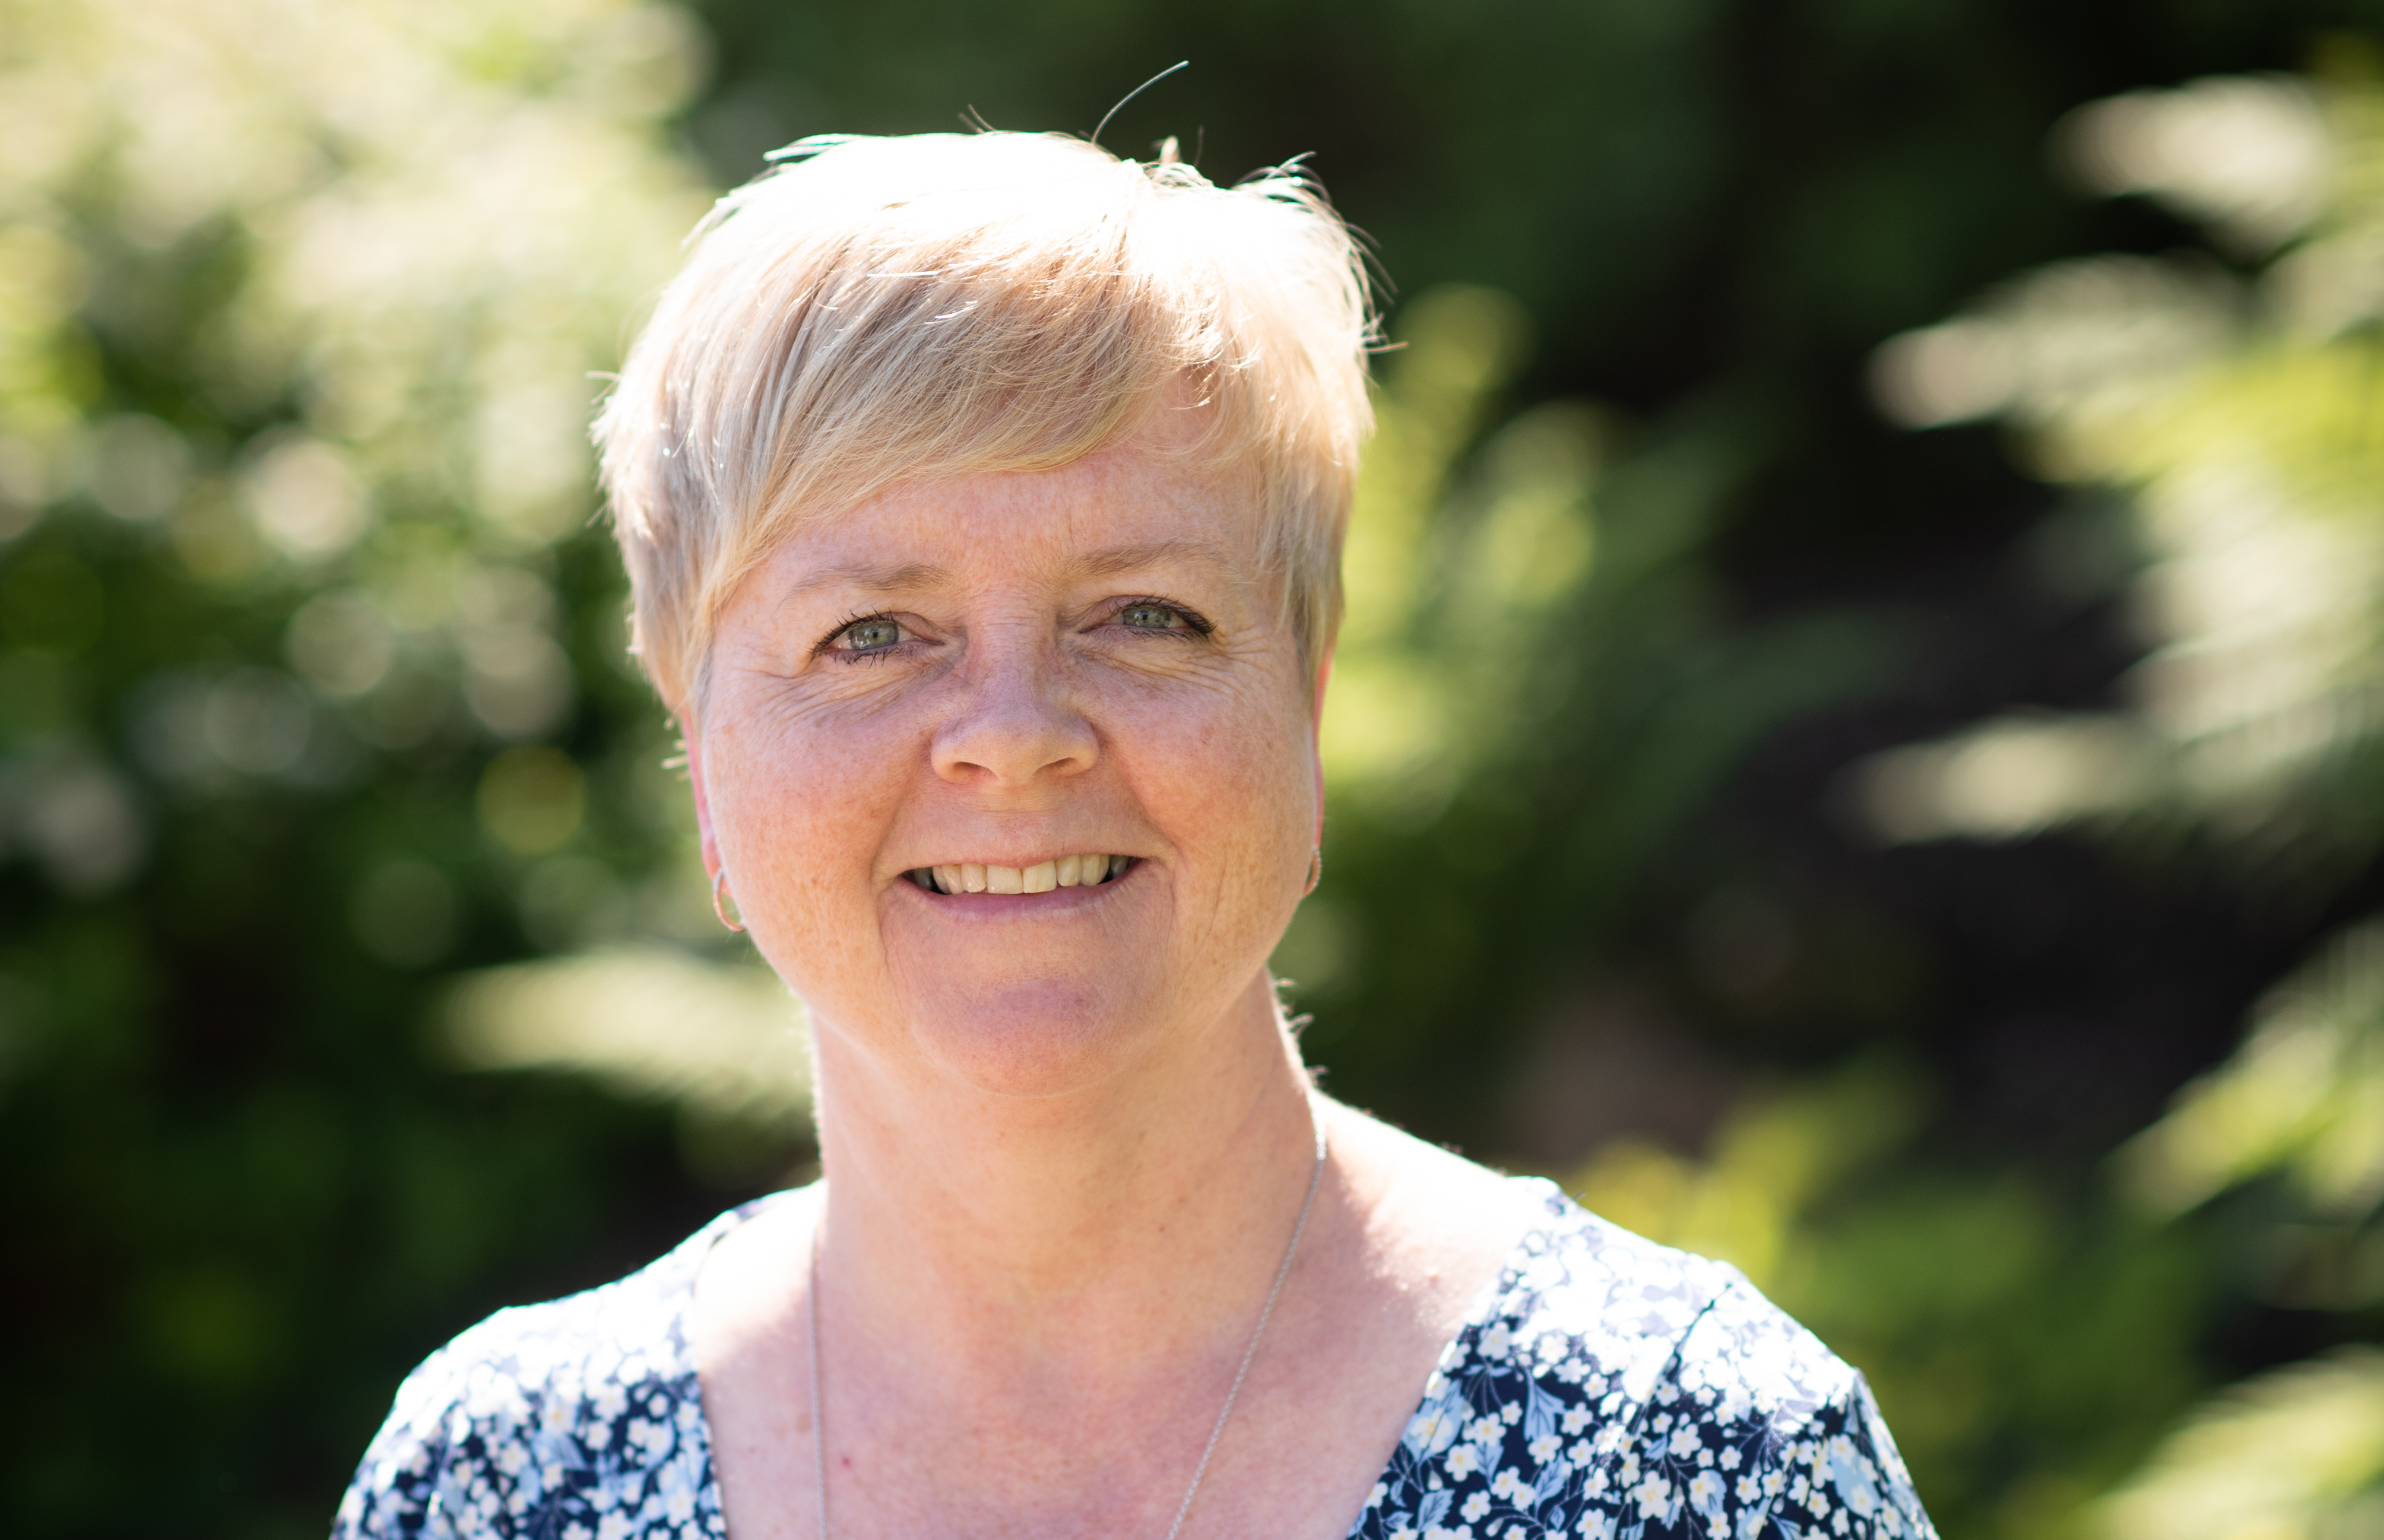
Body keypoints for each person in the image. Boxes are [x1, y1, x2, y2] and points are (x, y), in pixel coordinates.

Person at [333, 131, 1936, 1540]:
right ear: (700, 755)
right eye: (875, 632)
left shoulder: (1693, 1467)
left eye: (1142, 615)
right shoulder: (497, 1483)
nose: (1015, 732)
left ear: (1301, 709)